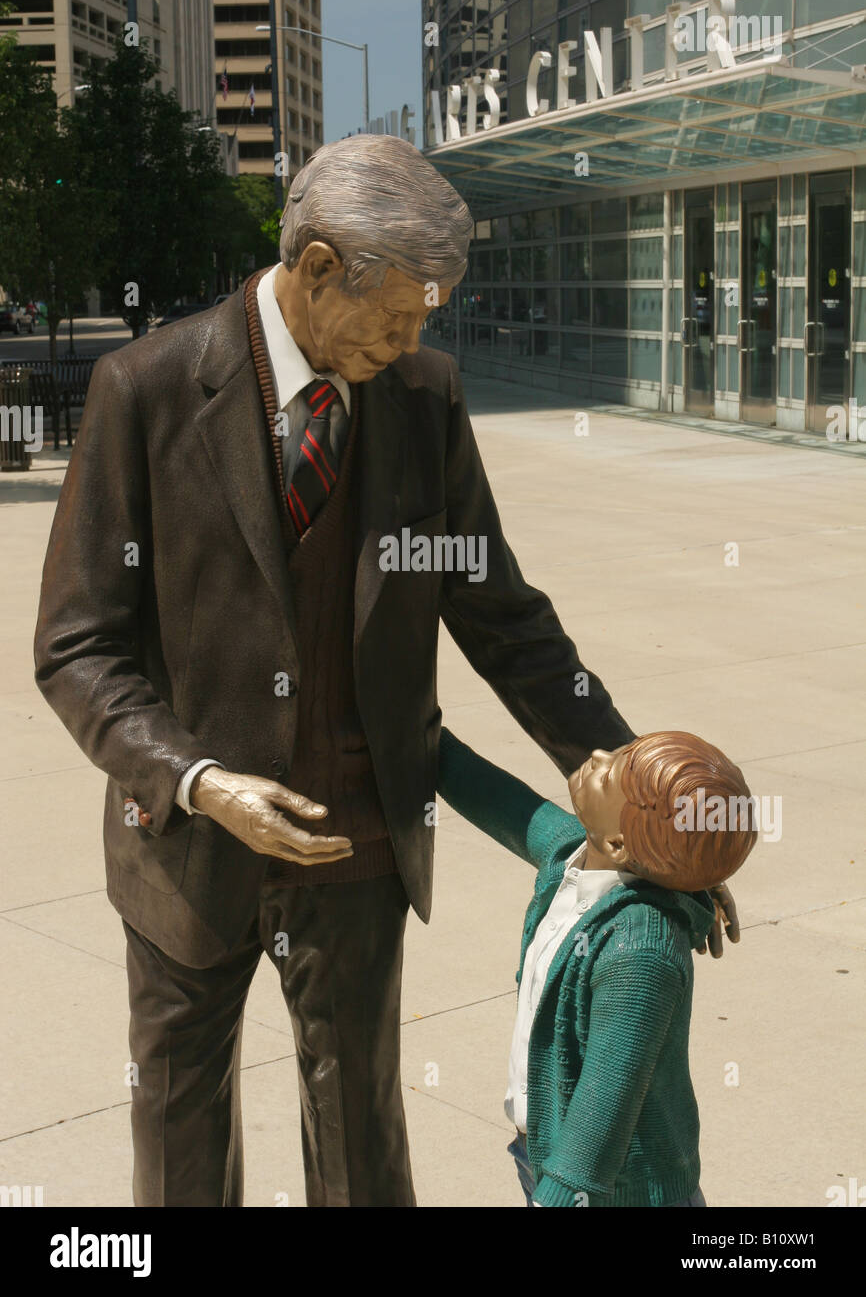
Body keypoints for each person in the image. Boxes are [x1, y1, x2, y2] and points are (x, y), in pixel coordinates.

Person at [33, 134, 735, 1209]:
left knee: (363, 1138)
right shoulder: (146, 389)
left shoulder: (422, 398)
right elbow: (77, 645)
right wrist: (197, 780)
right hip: (185, 853)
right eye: (397, 315)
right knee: (178, 1140)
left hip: (358, 849)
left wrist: (659, 809)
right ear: (317, 268)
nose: (410, 341)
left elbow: (506, 621)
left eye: (425, 320)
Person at [437, 725, 756, 1207]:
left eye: (612, 776)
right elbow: (499, 799)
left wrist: (560, 1197)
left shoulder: (641, 951)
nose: (600, 754)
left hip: (618, 1192)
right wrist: (416, 730)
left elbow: (607, 1099)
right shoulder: (576, 855)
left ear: (621, 843)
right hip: (546, 1156)